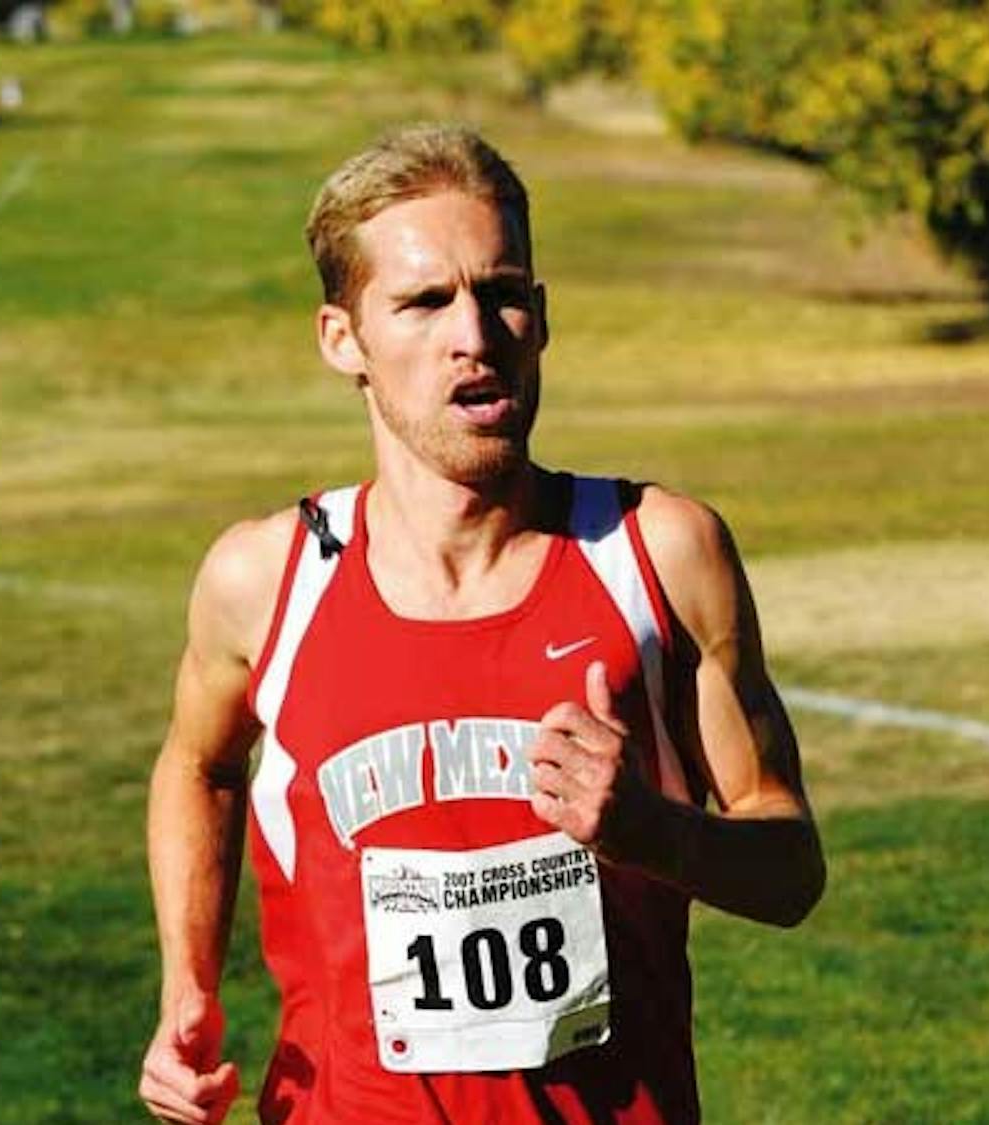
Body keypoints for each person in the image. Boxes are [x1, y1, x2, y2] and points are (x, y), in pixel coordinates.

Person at [139, 123, 825, 1125]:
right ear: (345, 341)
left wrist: (651, 832)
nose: (475, 334)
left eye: (501, 292)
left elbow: (791, 869)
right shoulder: (264, 580)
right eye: (423, 302)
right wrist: (186, 984)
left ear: (540, 317)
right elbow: (198, 767)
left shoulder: (658, 556)